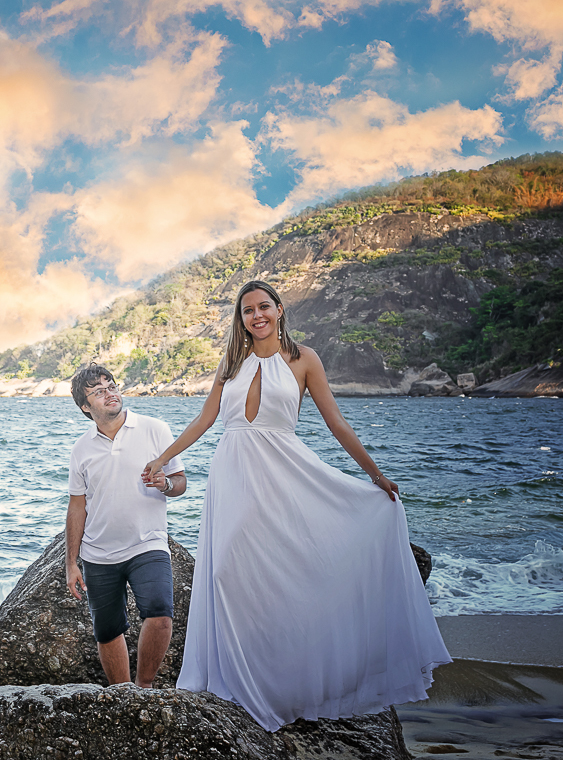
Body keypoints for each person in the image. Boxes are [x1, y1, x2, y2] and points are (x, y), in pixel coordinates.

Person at [143, 280, 451, 730]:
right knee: (228, 570)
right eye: (247, 310)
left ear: (280, 309)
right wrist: (163, 457)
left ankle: (281, 683)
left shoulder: (304, 359)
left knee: (282, 573)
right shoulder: (231, 360)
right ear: (241, 318)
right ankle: (242, 682)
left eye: (263, 306)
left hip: (284, 472)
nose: (256, 316)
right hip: (233, 475)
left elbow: (335, 421)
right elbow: (206, 418)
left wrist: (375, 474)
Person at [66, 362, 187, 688]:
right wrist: (71, 563)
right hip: (99, 554)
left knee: (161, 616)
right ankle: (122, 693)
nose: (110, 393)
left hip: (147, 543)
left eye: (111, 385)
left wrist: (164, 484)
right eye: (99, 391)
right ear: (86, 406)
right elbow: (77, 506)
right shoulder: (81, 449)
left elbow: (180, 483)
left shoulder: (154, 429)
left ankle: (143, 687)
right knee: (107, 631)